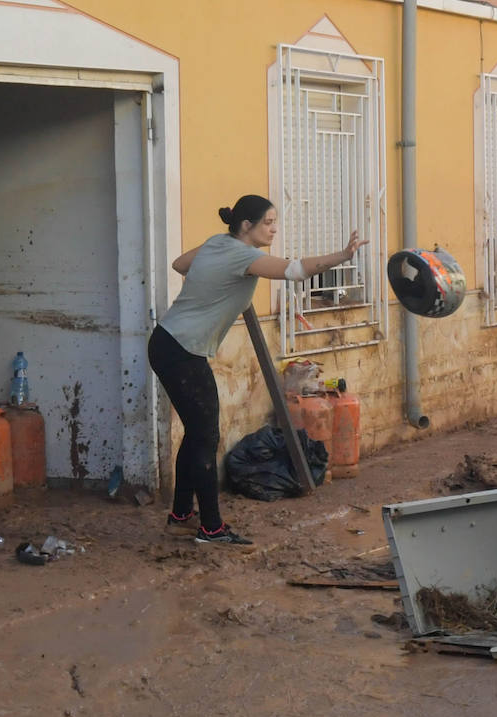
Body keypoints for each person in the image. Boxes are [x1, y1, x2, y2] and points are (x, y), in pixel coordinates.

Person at [148, 195, 367, 546]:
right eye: (268, 222)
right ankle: (211, 528)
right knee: (205, 436)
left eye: (274, 221)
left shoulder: (217, 243)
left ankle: (181, 517)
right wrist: (343, 256)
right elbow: (295, 272)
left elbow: (179, 264)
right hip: (182, 350)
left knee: (197, 434)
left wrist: (214, 283)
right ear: (246, 226)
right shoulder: (244, 256)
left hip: (168, 342)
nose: (274, 228)